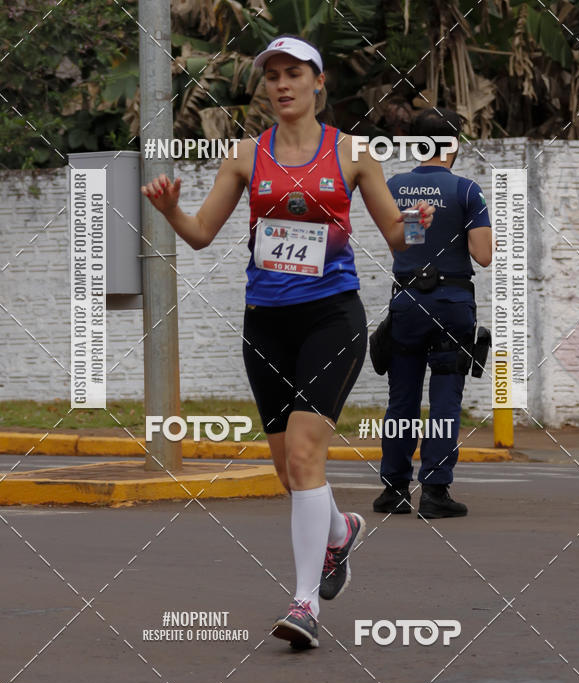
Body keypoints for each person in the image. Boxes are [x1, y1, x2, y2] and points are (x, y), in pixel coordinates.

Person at [141, 35, 434, 650]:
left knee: (305, 456)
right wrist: (171, 210)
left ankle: (304, 605)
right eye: (272, 74)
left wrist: (414, 224)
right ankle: (340, 531)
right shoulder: (246, 156)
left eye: (294, 73)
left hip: (332, 317)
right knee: (287, 469)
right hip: (265, 323)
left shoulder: (351, 152)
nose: (282, 84)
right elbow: (199, 234)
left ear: (317, 82)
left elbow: (394, 236)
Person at [372, 108, 492, 519]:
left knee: (401, 399)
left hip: (406, 302)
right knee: (444, 399)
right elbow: (484, 254)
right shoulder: (466, 190)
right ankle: (436, 493)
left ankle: (394, 490)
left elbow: (403, 244)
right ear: (453, 144)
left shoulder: (395, 187)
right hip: (451, 304)